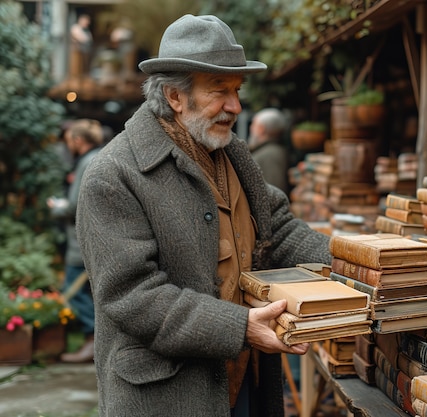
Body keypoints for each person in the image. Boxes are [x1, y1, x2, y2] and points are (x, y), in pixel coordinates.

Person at [75, 14, 332, 417]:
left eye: (237, 90)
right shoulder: (114, 175)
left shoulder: (229, 152)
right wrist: (239, 327)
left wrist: (357, 260)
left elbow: (276, 230)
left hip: (243, 378)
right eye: (219, 91)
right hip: (168, 396)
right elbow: (133, 296)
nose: (236, 106)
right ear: (175, 97)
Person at [48, 118, 104, 363]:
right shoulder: (102, 156)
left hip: (81, 243)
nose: (67, 145)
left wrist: (56, 207)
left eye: (70, 140)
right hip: (94, 239)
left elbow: (75, 206)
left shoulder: (86, 162)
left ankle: (91, 343)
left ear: (78, 140)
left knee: (74, 291)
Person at [248, 108, 289, 193]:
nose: (251, 128)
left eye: (253, 124)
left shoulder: (271, 154)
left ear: (261, 129)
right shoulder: (269, 151)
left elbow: (274, 193)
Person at [70, 13, 93, 78]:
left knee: (85, 69)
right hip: (78, 52)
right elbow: (81, 39)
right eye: (86, 21)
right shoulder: (76, 28)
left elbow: (89, 39)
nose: (88, 23)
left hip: (86, 52)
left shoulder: (86, 30)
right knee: (77, 69)